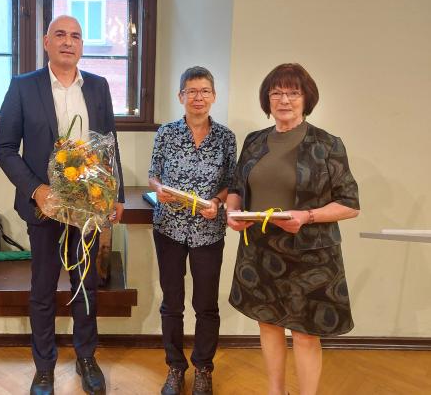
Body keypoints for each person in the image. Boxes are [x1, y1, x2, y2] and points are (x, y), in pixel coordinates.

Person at [0, 15, 125, 395]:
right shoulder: (23, 87)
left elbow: (109, 144)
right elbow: (4, 148)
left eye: (76, 36)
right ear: (46, 42)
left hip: (89, 207)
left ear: (82, 46)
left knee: (86, 284)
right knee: (43, 286)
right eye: (61, 35)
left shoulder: (98, 87)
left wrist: (114, 196)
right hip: (44, 207)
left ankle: (86, 357)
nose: (69, 42)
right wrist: (36, 189)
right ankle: (44, 366)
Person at [226, 63, 360, 395]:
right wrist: (233, 212)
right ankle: (276, 391)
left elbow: (349, 204)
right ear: (267, 99)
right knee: (268, 325)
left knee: (303, 333)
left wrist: (307, 216)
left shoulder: (327, 144)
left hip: (310, 256)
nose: (284, 100)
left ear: (306, 98)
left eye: (293, 92)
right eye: (276, 92)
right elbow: (236, 187)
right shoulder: (255, 141)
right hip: (259, 250)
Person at [148, 66, 236, 395]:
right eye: (191, 91)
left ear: (213, 96)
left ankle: (203, 368)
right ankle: (175, 367)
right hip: (169, 227)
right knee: (172, 302)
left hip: (209, 231)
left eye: (204, 91)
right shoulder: (166, 133)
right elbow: (153, 175)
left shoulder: (226, 137)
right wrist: (160, 189)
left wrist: (216, 201)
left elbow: (231, 183)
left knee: (205, 304)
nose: (198, 97)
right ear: (180, 96)